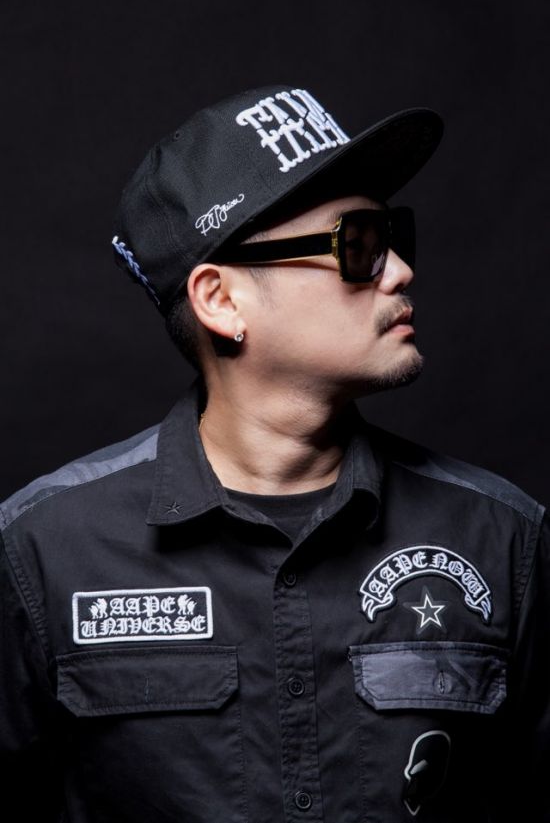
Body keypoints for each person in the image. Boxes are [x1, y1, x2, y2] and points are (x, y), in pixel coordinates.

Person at [0, 84, 548, 823]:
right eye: (358, 244)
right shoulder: (41, 552)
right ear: (222, 300)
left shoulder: (505, 539)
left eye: (396, 236)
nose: (399, 271)